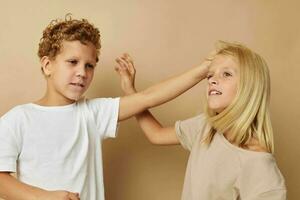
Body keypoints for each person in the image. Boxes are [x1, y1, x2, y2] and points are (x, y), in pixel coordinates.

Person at [0, 15, 212, 200]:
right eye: (72, 62)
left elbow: (148, 97)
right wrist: (42, 197)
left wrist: (203, 70)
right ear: (47, 65)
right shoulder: (18, 119)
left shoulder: (93, 114)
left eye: (89, 65)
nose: (82, 72)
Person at [119, 41, 287, 200]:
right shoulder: (205, 127)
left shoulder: (258, 164)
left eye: (226, 74)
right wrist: (130, 90)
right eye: (210, 75)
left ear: (250, 87)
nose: (213, 80)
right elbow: (156, 134)